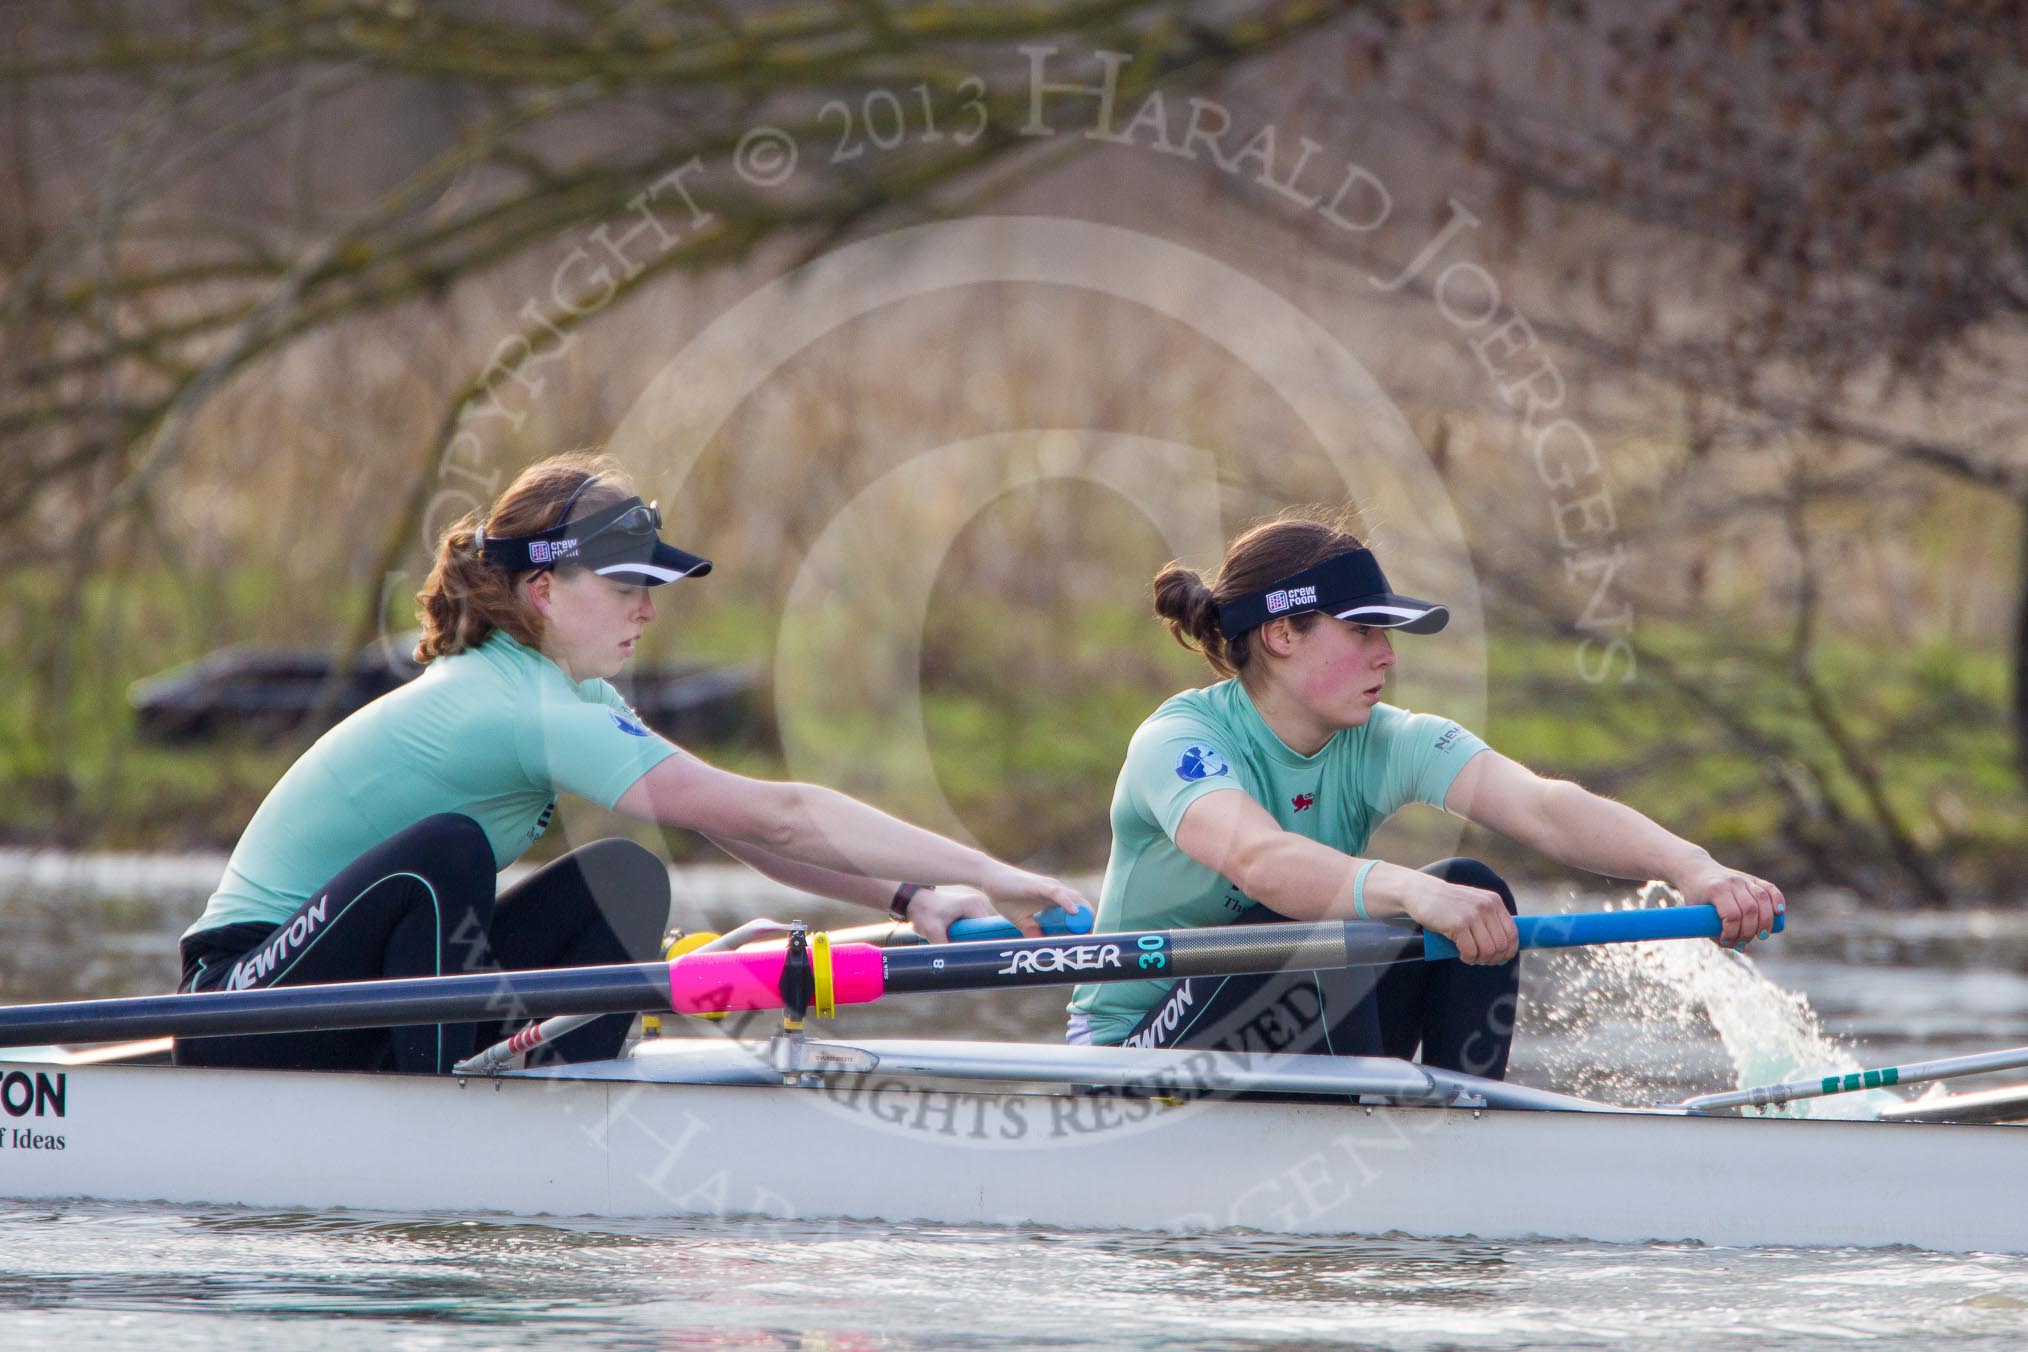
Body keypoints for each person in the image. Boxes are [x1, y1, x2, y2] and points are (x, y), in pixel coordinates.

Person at [177, 450, 1088, 1074]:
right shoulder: (523, 705)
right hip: (240, 997)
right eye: (624, 588)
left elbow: (733, 824)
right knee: (447, 851)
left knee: (622, 875)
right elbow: (776, 811)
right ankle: (450, 1092)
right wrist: (992, 873)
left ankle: (562, 1087)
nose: (646, 610)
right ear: (542, 591)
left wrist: (911, 899)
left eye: (650, 590)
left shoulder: (572, 697)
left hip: (345, 987)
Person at [1066, 510, 1783, 1081]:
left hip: (1283, 1022)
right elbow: (1258, 861)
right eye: (1365, 630)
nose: (1388, 654)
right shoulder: (1181, 741)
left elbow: (1542, 807)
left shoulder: (1384, 739)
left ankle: (1461, 1131)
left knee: (1471, 887)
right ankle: (1368, 1127)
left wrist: (1694, 867)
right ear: (1282, 633)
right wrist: (1409, 891)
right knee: (1318, 923)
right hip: (1135, 1045)